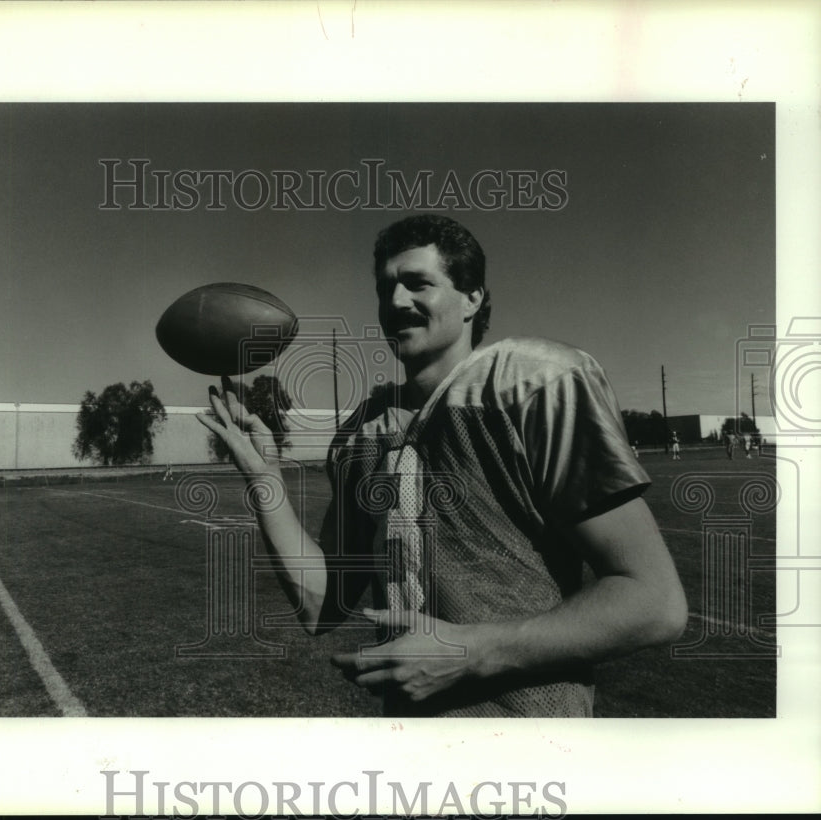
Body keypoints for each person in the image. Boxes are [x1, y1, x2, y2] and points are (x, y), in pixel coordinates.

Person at [198, 214, 687, 718]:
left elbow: (654, 601)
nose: (395, 302)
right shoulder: (363, 434)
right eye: (385, 288)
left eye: (417, 283)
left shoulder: (535, 385)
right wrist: (265, 480)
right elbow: (322, 603)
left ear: (472, 296)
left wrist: (466, 653)